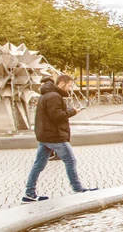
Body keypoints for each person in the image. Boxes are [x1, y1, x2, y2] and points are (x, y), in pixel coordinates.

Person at [23, 74, 97, 202]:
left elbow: (52, 113)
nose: (69, 89)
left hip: (44, 135)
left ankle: (29, 193)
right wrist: (72, 112)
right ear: (62, 83)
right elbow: (56, 116)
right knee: (70, 160)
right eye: (69, 85)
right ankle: (78, 189)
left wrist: (68, 110)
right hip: (54, 136)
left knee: (38, 165)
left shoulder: (46, 95)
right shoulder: (54, 96)